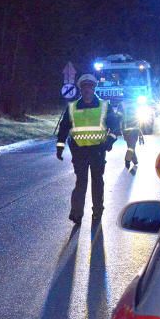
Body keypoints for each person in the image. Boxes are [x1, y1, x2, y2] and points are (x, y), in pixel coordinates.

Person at [56, 74, 121, 224]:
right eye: (84, 87)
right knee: (81, 182)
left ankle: (97, 211)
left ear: (94, 88)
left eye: (90, 86)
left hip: (98, 150)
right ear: (81, 89)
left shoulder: (104, 106)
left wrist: (108, 142)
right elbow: (64, 128)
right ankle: (76, 213)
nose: (87, 89)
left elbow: (115, 127)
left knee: (97, 181)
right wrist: (60, 146)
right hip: (79, 151)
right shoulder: (72, 107)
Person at [120, 98, 144, 171]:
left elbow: (119, 119)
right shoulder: (137, 105)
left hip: (128, 131)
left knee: (131, 147)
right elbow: (139, 120)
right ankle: (127, 161)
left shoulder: (122, 104)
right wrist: (140, 134)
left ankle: (135, 161)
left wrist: (121, 131)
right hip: (133, 131)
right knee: (131, 147)